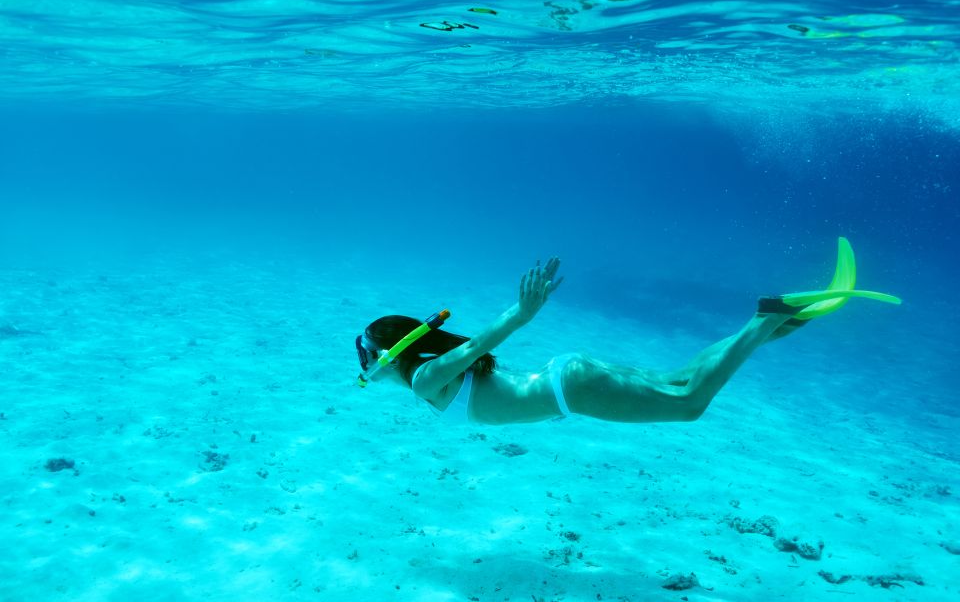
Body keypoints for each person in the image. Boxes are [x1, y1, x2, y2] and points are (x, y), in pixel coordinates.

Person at [355, 241, 899, 425]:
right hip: (570, 378)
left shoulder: (426, 379)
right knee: (683, 378)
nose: (362, 365)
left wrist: (521, 315)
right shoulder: (426, 375)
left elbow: (475, 346)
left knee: (688, 403)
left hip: (573, 388)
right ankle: (769, 321)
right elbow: (471, 355)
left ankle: (766, 317)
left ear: (387, 354)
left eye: (364, 354)